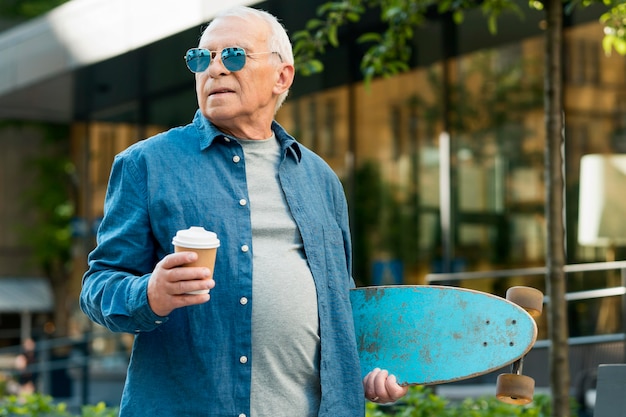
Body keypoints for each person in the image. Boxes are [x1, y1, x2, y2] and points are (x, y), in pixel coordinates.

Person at [80, 5, 408, 416]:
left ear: (281, 76)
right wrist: (150, 294)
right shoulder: (146, 164)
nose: (214, 69)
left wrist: (363, 371)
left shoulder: (320, 177)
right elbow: (98, 286)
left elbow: (338, 300)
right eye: (202, 58)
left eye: (233, 55)